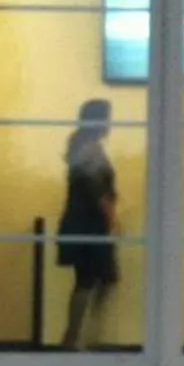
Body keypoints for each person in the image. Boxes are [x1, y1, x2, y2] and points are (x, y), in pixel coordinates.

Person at [56, 98, 121, 348]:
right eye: (107, 118)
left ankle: (79, 336)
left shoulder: (80, 146)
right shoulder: (91, 151)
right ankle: (81, 337)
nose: (110, 124)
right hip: (89, 225)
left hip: (82, 223)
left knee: (93, 279)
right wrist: (112, 218)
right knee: (93, 279)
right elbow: (98, 190)